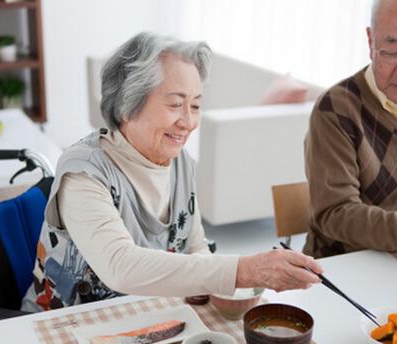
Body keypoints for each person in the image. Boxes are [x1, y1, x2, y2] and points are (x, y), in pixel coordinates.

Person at [21, 32, 322, 312]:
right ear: (128, 105)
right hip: (61, 324)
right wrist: (245, 269)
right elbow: (120, 266)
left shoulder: (179, 161)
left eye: (195, 106)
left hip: (142, 315)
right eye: (176, 104)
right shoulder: (84, 172)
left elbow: (195, 246)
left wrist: (225, 292)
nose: (188, 122)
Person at [304, 0, 397, 258]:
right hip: (346, 266)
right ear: (371, 42)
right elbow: (336, 214)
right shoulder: (336, 108)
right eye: (391, 52)